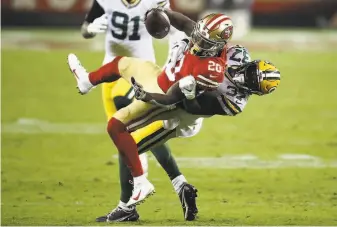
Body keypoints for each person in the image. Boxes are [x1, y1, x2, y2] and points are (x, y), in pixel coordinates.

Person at [67, 11, 234, 207]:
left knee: (116, 126)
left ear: (217, 45)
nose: (197, 41)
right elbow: (185, 23)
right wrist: (160, 12)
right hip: (159, 76)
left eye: (204, 41)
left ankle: (140, 183)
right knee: (121, 63)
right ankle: (87, 81)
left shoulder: (211, 70)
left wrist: (147, 97)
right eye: (199, 35)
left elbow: (175, 98)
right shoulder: (202, 36)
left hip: (166, 97)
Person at [80, 0, 196, 222]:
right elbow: (85, 29)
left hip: (139, 75)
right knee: (133, 137)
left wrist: (172, 52)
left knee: (126, 131)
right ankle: (179, 184)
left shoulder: (155, 1)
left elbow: (173, 28)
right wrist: (91, 29)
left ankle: (129, 203)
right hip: (110, 74)